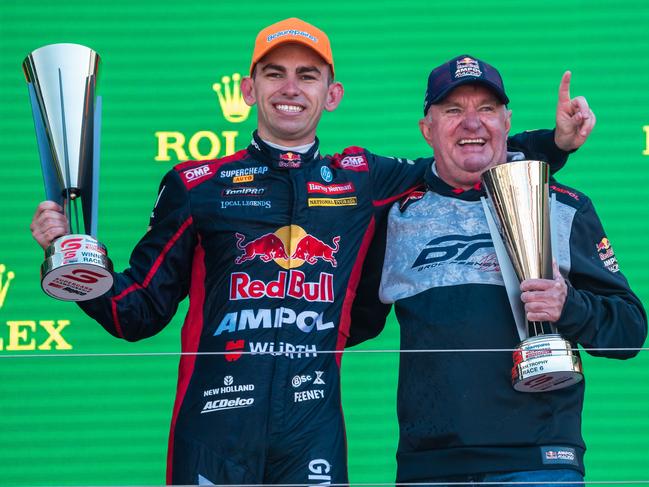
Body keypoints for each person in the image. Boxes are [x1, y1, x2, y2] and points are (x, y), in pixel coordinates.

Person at [30, 19, 590, 485]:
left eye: (308, 75)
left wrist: (554, 145)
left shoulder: (364, 178)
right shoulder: (196, 183)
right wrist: (75, 261)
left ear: (332, 93)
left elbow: (461, 158)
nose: (290, 88)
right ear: (249, 89)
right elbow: (138, 311)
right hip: (214, 427)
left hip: (312, 429)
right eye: (274, 74)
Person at [349, 55, 647, 485]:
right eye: (453, 110)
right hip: (430, 466)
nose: (472, 123)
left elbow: (630, 332)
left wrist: (570, 306)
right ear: (426, 129)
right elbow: (352, 322)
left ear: (507, 122)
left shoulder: (563, 206)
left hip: (541, 462)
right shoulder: (398, 217)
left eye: (486, 109)